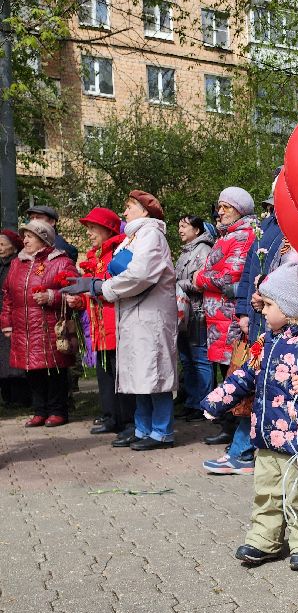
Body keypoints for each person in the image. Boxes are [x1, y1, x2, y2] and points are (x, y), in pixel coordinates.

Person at [201, 264, 298, 573]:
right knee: (266, 490)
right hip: (266, 435)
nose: (262, 311)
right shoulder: (267, 342)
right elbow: (245, 375)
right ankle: (264, 539)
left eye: (268, 305)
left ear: (291, 307)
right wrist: (217, 400)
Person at [64, 190, 178, 450]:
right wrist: (94, 284)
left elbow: (140, 275)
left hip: (150, 316)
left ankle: (162, 432)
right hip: (134, 316)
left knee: (155, 374)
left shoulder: (151, 235)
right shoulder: (133, 237)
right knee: (140, 375)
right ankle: (142, 428)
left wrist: (101, 287)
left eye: (129, 206)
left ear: (145, 211)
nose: (124, 212)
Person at [195, 187, 257, 458]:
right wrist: (206, 275)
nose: (220, 212)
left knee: (236, 374)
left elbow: (230, 277)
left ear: (240, 209)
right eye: (219, 206)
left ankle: (236, 431)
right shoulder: (226, 236)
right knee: (227, 373)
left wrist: (200, 279)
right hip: (217, 318)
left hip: (231, 317)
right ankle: (229, 427)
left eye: (226, 207)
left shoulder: (243, 235)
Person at [0, 219, 80, 426]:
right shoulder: (17, 263)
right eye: (24, 236)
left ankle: (58, 411)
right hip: (23, 327)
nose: (25, 240)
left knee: (54, 370)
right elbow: (7, 296)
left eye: (30, 236)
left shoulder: (61, 262)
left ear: (43, 239)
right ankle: (40, 411)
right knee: (32, 370)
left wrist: (52, 296)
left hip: (49, 325)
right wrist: (6, 323)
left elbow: (75, 291)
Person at [67, 206, 135, 437]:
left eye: (92, 228)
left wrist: (94, 289)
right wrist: (79, 300)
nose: (88, 233)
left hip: (116, 323)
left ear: (107, 229)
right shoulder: (95, 256)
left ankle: (128, 420)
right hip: (100, 325)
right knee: (105, 374)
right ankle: (111, 417)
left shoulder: (119, 253)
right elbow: (89, 289)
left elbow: (120, 285)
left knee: (121, 374)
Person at [175, 215, 215, 422]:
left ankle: (205, 405)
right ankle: (191, 402)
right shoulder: (185, 252)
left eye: (184, 226)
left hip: (198, 312)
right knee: (187, 360)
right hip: (182, 313)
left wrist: (179, 284)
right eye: (179, 226)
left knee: (199, 359)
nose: (180, 230)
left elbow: (204, 281)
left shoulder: (204, 250)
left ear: (197, 230)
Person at [0, 229, 27, 407]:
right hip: (2, 315)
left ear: (14, 247)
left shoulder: (17, 264)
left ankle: (20, 397)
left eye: (3, 244)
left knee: (14, 357)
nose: (0, 248)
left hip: (13, 315)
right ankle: (7, 396)